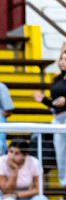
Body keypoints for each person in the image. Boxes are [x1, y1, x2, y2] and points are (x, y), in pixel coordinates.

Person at [32, 48, 66, 190]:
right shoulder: (57, 79)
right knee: (61, 155)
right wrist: (44, 100)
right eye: (62, 59)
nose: (63, 62)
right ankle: (65, 187)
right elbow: (55, 104)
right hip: (58, 119)